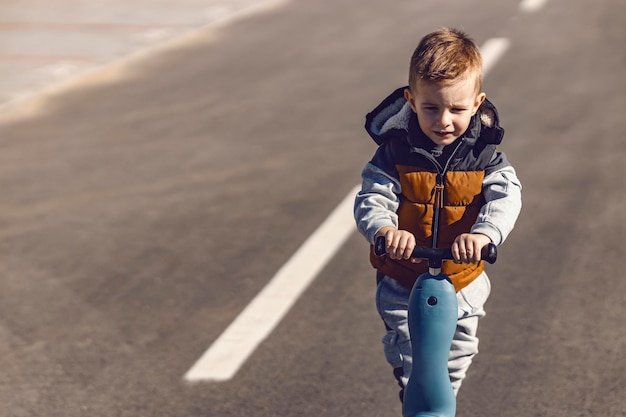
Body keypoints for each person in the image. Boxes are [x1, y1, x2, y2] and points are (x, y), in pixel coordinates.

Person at [354, 27, 522, 402]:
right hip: (403, 278)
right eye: (431, 107)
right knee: (416, 364)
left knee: (456, 361)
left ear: (477, 104)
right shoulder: (394, 153)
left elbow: (507, 196)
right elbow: (371, 198)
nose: (443, 120)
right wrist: (384, 230)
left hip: (463, 280)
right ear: (411, 101)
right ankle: (420, 401)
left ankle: (440, 403)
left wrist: (485, 234)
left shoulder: (485, 155)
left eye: (457, 109)